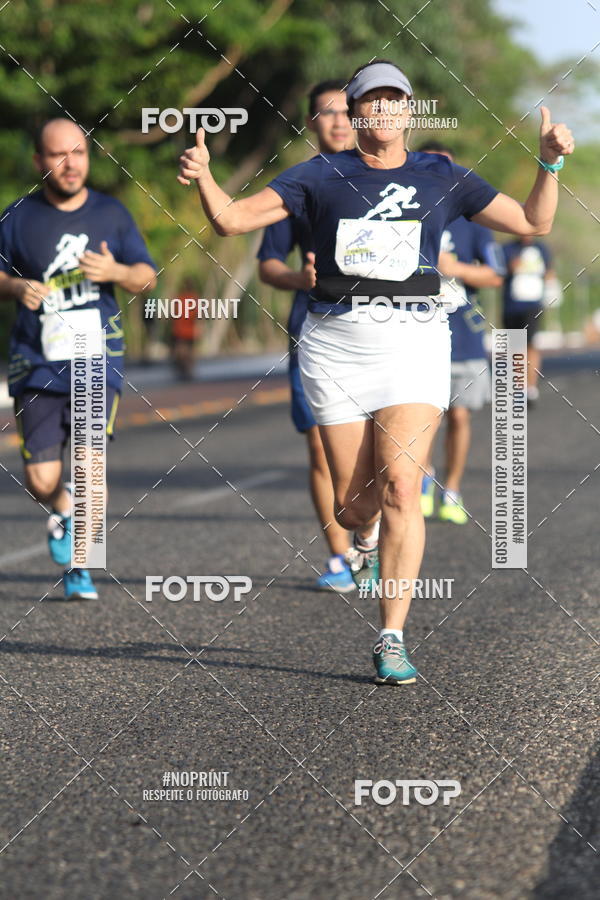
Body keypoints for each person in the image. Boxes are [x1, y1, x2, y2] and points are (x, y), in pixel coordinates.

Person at [178, 59, 574, 684]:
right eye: (372, 100)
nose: (385, 109)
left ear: (410, 110)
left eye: (396, 99)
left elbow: (533, 222)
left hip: (415, 341)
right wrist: (203, 178)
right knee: (354, 505)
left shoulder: (441, 175)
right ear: (356, 113)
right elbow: (231, 219)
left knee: (400, 487)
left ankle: (391, 635)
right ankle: (359, 541)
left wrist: (549, 164)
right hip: (335, 343)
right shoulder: (319, 174)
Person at [0, 118, 157, 600]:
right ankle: (63, 513)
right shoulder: (17, 218)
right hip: (36, 359)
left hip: (95, 356)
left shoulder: (112, 214)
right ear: (39, 162)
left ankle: (82, 566)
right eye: (58, 155)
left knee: (90, 465)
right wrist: (14, 286)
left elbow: (146, 277)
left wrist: (116, 270)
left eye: (80, 153)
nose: (71, 164)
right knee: (41, 477)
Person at [257, 79, 357, 592]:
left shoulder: (389, 177)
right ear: (311, 123)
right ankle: (340, 556)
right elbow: (267, 264)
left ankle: (375, 538)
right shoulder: (296, 184)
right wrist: (299, 278)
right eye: (326, 113)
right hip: (314, 329)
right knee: (321, 449)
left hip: (383, 333)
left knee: (382, 450)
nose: (338, 121)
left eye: (347, 111)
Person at [418, 141, 505, 524]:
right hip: (413, 335)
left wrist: (456, 268)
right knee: (421, 418)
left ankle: (451, 489)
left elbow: (496, 274)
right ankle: (422, 481)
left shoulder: (474, 221)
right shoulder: (409, 216)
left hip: (464, 336)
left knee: (459, 417)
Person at [502, 235, 555, 405]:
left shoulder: (541, 249)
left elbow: (549, 272)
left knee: (531, 343)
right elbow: (497, 273)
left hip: (533, 305)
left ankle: (530, 388)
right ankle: (519, 387)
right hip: (512, 305)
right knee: (515, 347)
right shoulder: (508, 248)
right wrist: (510, 268)